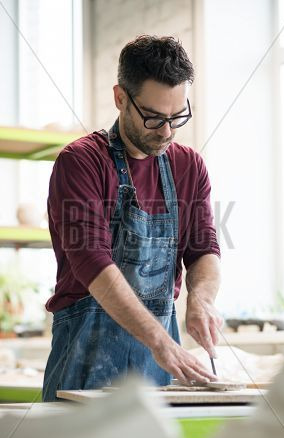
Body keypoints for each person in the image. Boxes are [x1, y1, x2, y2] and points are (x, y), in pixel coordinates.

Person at [42, 35, 222, 402]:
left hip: (159, 364)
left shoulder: (188, 165)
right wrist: (159, 340)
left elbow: (203, 248)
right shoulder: (81, 163)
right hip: (84, 361)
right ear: (121, 98)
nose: (168, 131)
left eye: (178, 117)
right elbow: (92, 262)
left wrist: (200, 299)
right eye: (154, 118)